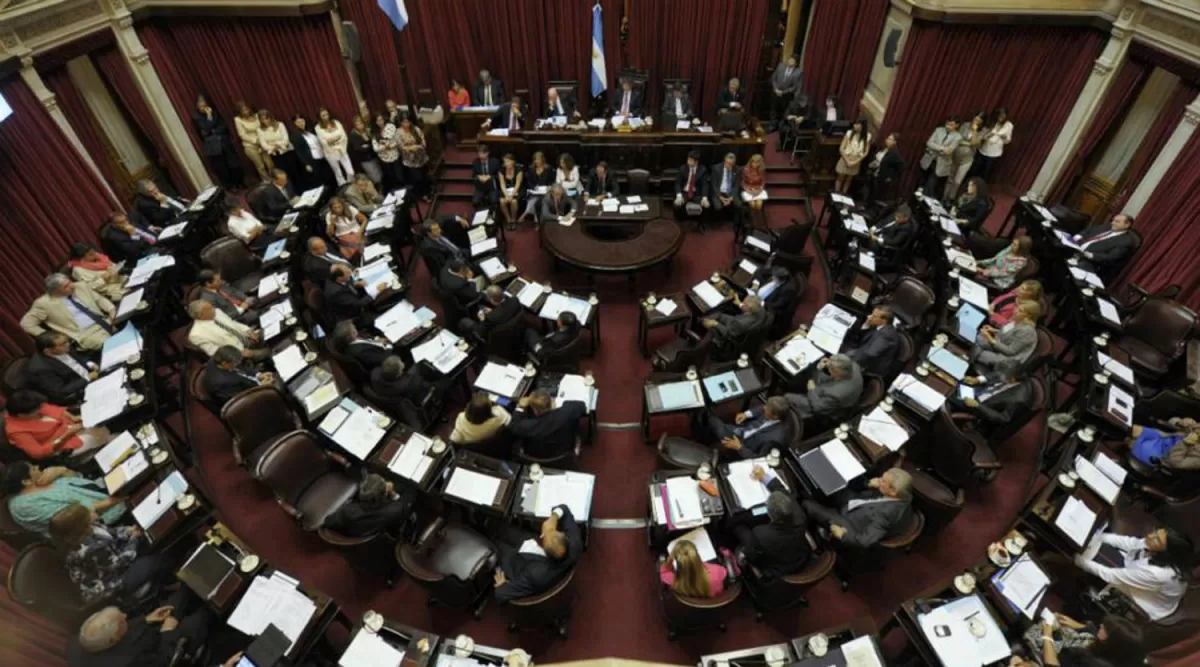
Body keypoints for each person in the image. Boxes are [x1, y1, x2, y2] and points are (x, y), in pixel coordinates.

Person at [50, 502, 162, 604]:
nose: (92, 510)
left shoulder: (90, 528)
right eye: (88, 513)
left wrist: (129, 531)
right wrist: (134, 538)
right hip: (112, 583)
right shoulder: (91, 550)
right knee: (158, 555)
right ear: (82, 525)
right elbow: (122, 562)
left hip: (112, 558)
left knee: (148, 542)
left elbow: (111, 532)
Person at [68, 591, 218, 667]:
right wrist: (167, 632)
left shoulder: (77, 642)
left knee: (182, 595)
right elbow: (164, 660)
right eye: (122, 621)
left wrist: (147, 619)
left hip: (147, 635)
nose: (126, 616)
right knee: (202, 615)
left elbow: (123, 629)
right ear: (113, 640)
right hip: (165, 648)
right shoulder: (129, 662)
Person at [1074, 527, 1193, 621]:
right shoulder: (1156, 546)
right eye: (1156, 533)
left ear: (1166, 553)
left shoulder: (1158, 573)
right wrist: (1098, 537)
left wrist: (1077, 559)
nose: (1150, 536)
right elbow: (1130, 543)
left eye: (1157, 539)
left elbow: (1111, 575)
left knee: (1089, 566)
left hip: (1149, 607)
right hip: (1145, 580)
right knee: (1099, 549)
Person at [2, 463, 126, 535]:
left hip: (103, 490)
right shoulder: (24, 505)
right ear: (26, 481)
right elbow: (74, 516)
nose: (38, 467)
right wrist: (115, 500)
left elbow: (78, 477)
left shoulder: (43, 480)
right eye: (33, 469)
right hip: (103, 522)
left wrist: (61, 470)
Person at [802, 468, 913, 548]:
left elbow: (864, 541)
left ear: (893, 491)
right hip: (858, 503)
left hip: (851, 524)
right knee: (832, 483)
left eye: (883, 481)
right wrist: (868, 484)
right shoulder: (905, 495)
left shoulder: (886, 514)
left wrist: (843, 534)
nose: (879, 480)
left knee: (809, 506)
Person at [494, 504, 582, 602]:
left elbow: (500, 594)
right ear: (563, 535)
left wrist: (502, 584)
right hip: (526, 543)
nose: (548, 529)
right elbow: (564, 508)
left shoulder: (536, 575)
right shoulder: (574, 544)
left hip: (514, 563)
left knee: (495, 544)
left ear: (543, 547)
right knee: (502, 527)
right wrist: (553, 518)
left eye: (545, 535)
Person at [741, 466, 811, 578]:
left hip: (777, 571)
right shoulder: (800, 516)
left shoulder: (761, 534)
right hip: (800, 559)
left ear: (770, 515)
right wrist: (764, 477)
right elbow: (784, 493)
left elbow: (753, 558)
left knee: (740, 529)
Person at [5, 390, 110, 461]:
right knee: (104, 434)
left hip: (72, 426)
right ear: (21, 415)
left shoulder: (33, 405)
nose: (40, 410)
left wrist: (73, 418)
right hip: (62, 444)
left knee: (105, 420)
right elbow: (38, 453)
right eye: (36, 410)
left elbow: (54, 410)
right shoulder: (15, 431)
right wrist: (66, 435)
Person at [21, 274, 114, 351]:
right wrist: (54, 337)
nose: (72, 286)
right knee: (113, 344)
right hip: (86, 334)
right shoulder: (44, 304)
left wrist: (111, 310)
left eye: (70, 282)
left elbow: (99, 300)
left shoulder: (80, 286)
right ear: (55, 291)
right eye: (66, 286)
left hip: (106, 321)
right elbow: (26, 324)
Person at [1028, 613, 1144, 667]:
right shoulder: (1114, 652)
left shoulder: (1094, 664)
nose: (1101, 626)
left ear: (1111, 642)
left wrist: (1047, 635)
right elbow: (1092, 632)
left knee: (1026, 622)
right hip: (1067, 648)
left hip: (1054, 658)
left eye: (1105, 628)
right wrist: (1077, 625)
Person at [325, 473, 415, 537]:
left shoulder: (347, 511)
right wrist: (393, 493)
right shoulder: (394, 509)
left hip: (360, 530)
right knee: (410, 490)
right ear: (384, 494)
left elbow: (328, 521)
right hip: (384, 524)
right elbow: (407, 499)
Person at [702, 395, 790, 459]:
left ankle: (704, 415)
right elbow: (761, 408)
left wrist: (739, 448)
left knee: (715, 424)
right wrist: (746, 414)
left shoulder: (775, 438)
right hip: (743, 430)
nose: (764, 408)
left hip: (744, 447)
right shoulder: (770, 411)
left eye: (767, 409)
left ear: (775, 416)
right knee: (716, 424)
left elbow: (759, 458)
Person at [509, 391, 587, 460]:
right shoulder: (567, 411)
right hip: (565, 448)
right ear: (551, 402)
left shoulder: (527, 426)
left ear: (535, 410)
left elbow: (513, 426)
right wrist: (563, 404)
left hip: (537, 455)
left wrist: (520, 407)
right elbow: (582, 407)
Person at [786, 354, 864, 419]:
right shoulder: (853, 366)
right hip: (832, 388)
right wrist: (823, 366)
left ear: (836, 373)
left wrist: (812, 390)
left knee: (788, 397)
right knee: (815, 374)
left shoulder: (836, 394)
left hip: (826, 406)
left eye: (830, 369)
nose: (827, 369)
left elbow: (818, 407)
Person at [954, 367, 1035, 429]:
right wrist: (978, 379)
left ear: (1012, 380)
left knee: (948, 392)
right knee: (954, 378)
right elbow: (997, 374)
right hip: (979, 390)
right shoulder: (1013, 370)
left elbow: (1004, 418)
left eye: (1003, 377)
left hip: (980, 405)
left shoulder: (1018, 399)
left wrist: (978, 406)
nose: (1000, 376)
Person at [972, 300, 1040, 374]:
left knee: (978, 351)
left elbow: (1010, 351)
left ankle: (969, 369)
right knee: (978, 338)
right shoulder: (1017, 319)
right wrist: (993, 330)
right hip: (1000, 344)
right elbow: (1007, 332)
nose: (1015, 311)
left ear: (1028, 315)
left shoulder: (1027, 331)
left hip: (1007, 359)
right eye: (1017, 308)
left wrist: (990, 338)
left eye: (1020, 310)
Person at [28, 332, 95, 405]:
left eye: (66, 341)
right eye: (63, 344)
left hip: (91, 375)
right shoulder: (41, 369)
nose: (68, 344)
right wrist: (87, 378)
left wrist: (89, 364)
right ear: (48, 351)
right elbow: (60, 391)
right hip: (79, 391)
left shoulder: (64, 347)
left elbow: (78, 358)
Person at [186, 300, 264, 360]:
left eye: (212, 307)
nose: (214, 309)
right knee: (269, 352)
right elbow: (214, 352)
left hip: (248, 338)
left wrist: (249, 331)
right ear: (201, 316)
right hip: (241, 353)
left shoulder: (217, 311)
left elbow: (233, 323)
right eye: (210, 309)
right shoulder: (196, 334)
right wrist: (239, 353)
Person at [191, 96, 240, 189]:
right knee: (223, 168)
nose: (204, 108)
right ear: (198, 107)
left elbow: (223, 126)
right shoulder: (197, 117)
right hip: (214, 147)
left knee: (233, 164)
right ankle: (230, 186)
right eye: (201, 106)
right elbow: (206, 128)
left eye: (205, 105)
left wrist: (213, 131)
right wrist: (209, 117)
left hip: (224, 141)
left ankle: (238, 183)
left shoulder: (215, 112)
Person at [1073, 214, 1138, 283]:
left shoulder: (1125, 242)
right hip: (1076, 248)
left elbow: (1110, 257)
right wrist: (1078, 236)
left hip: (1090, 261)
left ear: (1127, 225)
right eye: (1113, 220)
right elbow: (1089, 230)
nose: (1112, 223)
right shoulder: (1108, 226)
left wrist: (1091, 255)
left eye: (1117, 221)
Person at [701, 295, 769, 356]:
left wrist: (715, 323)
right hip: (737, 324)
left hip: (731, 331)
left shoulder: (740, 323)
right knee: (718, 314)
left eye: (744, 303)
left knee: (709, 321)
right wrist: (739, 303)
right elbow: (747, 309)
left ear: (748, 308)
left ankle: (701, 323)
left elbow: (729, 333)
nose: (742, 303)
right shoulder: (760, 309)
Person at [1121, 419, 1200, 470]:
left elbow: (1175, 463)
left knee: (1131, 443)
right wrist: (1178, 422)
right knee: (1127, 427)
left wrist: (1184, 444)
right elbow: (1171, 420)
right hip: (1162, 437)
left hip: (1162, 455)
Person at [845, 305, 901, 377]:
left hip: (869, 366)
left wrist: (847, 362)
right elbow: (863, 338)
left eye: (874, 316)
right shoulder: (879, 325)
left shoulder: (887, 336)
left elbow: (870, 354)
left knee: (839, 363)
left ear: (884, 320)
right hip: (862, 352)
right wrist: (866, 324)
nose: (869, 317)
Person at [660, 540, 726, 598]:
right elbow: (724, 571)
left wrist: (669, 560)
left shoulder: (674, 581)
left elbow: (663, 572)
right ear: (697, 555)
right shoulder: (717, 571)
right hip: (713, 600)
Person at [946, 111, 983, 201]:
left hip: (967, 159)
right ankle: (944, 197)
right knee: (950, 178)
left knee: (957, 181)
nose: (976, 121)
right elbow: (959, 139)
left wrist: (974, 131)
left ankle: (950, 199)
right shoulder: (965, 125)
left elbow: (975, 144)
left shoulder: (982, 131)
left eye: (979, 120)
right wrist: (969, 143)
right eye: (975, 118)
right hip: (956, 155)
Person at [920, 116, 961, 196]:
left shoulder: (958, 137)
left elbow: (949, 152)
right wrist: (942, 149)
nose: (948, 126)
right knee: (921, 182)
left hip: (941, 163)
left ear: (957, 125)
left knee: (930, 185)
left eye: (951, 125)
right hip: (929, 159)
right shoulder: (939, 130)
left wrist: (935, 147)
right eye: (947, 124)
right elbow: (929, 143)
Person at [369, 355, 434, 404]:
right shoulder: (407, 384)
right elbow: (418, 377)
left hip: (384, 393)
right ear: (398, 374)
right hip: (413, 396)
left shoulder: (374, 373)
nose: (404, 364)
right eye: (401, 368)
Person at [257, 109, 298, 185]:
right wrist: (273, 148)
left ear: (270, 117)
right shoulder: (260, 130)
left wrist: (278, 144)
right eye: (263, 119)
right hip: (275, 154)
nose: (266, 121)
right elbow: (263, 144)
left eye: (267, 118)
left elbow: (286, 139)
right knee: (283, 174)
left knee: (294, 171)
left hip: (287, 151)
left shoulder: (280, 124)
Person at [289, 114, 329, 190]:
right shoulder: (295, 136)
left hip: (321, 157)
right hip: (312, 161)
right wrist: (306, 164)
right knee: (319, 181)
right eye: (298, 122)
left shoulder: (310, 131)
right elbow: (298, 152)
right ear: (295, 123)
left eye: (302, 121)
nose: (301, 123)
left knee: (326, 177)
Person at [316, 107, 354, 186]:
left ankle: (351, 184)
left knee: (350, 171)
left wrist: (332, 140)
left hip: (341, 149)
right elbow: (323, 141)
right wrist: (335, 138)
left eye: (326, 114)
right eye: (323, 115)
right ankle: (344, 188)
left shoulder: (336, 122)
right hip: (330, 153)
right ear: (320, 117)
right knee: (338, 173)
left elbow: (343, 136)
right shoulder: (318, 127)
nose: (325, 116)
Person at [234, 100, 270, 182]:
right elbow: (242, 135)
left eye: (246, 109)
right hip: (250, 146)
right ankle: (267, 182)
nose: (245, 111)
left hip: (263, 143)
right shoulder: (238, 120)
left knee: (270, 164)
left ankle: (274, 180)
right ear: (239, 111)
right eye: (243, 110)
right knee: (261, 166)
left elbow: (263, 127)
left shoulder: (257, 116)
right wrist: (255, 140)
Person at [973, 107, 1012, 182]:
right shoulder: (992, 122)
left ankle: (979, 189)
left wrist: (1004, 138)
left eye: (1003, 115)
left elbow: (1008, 141)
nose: (1001, 117)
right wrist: (987, 136)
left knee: (986, 173)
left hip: (994, 153)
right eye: (999, 115)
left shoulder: (1008, 125)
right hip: (983, 150)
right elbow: (983, 135)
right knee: (975, 169)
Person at [397, 114, 431, 200]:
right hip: (410, 160)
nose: (407, 124)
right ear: (401, 123)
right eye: (404, 122)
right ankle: (422, 195)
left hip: (421, 156)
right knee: (417, 178)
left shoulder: (415, 129)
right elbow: (401, 147)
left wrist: (419, 146)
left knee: (425, 176)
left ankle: (428, 191)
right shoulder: (398, 132)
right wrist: (411, 148)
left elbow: (423, 141)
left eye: (408, 121)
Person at [835, 118, 871, 194]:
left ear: (862, 126)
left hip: (856, 160)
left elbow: (866, 152)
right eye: (855, 124)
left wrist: (855, 161)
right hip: (846, 158)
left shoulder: (868, 136)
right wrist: (847, 160)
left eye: (857, 124)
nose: (855, 125)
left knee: (848, 179)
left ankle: (843, 195)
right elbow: (841, 148)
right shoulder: (849, 133)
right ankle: (836, 194)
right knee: (840, 178)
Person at [867, 132, 903, 202]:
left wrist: (890, 177)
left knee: (876, 196)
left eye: (890, 139)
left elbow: (901, 168)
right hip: (875, 174)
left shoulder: (895, 154)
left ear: (894, 142)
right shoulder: (884, 149)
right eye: (887, 138)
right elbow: (879, 160)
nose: (887, 140)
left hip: (882, 178)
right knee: (870, 193)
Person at [347, 116, 384, 186]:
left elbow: (373, 142)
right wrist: (368, 146)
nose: (360, 126)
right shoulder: (353, 134)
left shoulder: (368, 131)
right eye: (357, 124)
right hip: (365, 159)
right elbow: (358, 148)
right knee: (375, 177)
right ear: (355, 126)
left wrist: (367, 145)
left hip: (374, 156)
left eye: (361, 123)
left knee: (380, 173)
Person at [519, 151, 554, 224]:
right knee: (534, 200)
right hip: (535, 191)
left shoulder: (548, 168)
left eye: (538, 159)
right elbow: (528, 182)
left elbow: (552, 181)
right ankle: (536, 221)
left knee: (540, 201)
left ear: (542, 160)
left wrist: (549, 186)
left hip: (546, 191)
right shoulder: (531, 169)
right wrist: (534, 187)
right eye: (535, 160)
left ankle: (526, 213)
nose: (537, 161)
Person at [770, 55, 803, 126]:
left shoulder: (798, 72)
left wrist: (783, 92)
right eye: (790, 59)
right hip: (775, 93)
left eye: (792, 61)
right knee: (773, 111)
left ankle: (780, 127)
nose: (790, 61)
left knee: (783, 113)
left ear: (795, 63)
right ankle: (772, 126)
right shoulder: (780, 66)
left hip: (786, 96)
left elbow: (795, 87)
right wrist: (775, 89)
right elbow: (773, 78)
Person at [710, 152, 743, 224]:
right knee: (718, 207)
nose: (729, 165)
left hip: (730, 192)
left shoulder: (737, 170)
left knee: (739, 205)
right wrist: (720, 197)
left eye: (731, 164)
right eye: (727, 163)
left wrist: (731, 197)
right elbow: (714, 185)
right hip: (719, 192)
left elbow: (736, 185)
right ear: (725, 160)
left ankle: (736, 223)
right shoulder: (716, 168)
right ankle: (716, 222)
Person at [372, 114, 402, 192]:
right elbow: (375, 148)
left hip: (394, 156)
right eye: (378, 120)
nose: (380, 122)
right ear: (375, 122)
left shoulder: (390, 127)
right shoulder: (375, 132)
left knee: (399, 176)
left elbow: (398, 139)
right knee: (391, 177)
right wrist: (385, 147)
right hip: (384, 159)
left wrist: (391, 146)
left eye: (381, 119)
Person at [498, 153, 525, 227]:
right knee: (502, 201)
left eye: (508, 162)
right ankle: (508, 219)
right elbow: (502, 184)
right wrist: (506, 195)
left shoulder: (519, 170)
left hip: (517, 190)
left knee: (513, 201)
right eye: (505, 162)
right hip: (506, 190)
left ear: (513, 162)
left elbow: (517, 184)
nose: (506, 164)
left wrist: (511, 196)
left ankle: (513, 220)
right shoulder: (501, 170)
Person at [471, 143, 502, 209]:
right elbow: (473, 175)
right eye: (479, 154)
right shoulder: (475, 162)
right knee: (475, 201)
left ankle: (492, 215)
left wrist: (490, 177)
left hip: (492, 186)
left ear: (487, 153)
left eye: (482, 153)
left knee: (494, 200)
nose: (480, 156)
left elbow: (499, 176)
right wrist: (479, 177)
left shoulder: (495, 162)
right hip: (481, 187)